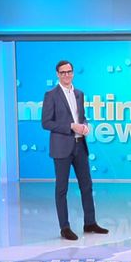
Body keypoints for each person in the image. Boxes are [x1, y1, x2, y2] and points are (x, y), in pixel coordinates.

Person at [42, 60, 108, 241]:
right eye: (63, 72)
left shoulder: (79, 94)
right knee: (61, 189)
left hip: (80, 146)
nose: (66, 75)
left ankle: (90, 222)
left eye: (69, 71)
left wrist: (85, 126)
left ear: (73, 73)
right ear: (57, 74)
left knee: (87, 186)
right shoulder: (51, 95)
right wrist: (71, 126)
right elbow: (46, 123)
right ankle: (64, 227)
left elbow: (82, 117)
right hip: (61, 148)